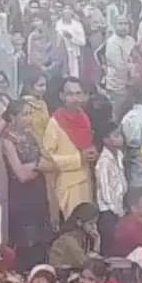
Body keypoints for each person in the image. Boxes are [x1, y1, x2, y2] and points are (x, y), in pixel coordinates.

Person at [0, 99, 53, 269]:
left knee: (42, 242)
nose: (29, 118)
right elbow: (21, 175)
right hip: (22, 196)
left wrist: (34, 166)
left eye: (30, 114)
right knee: (26, 242)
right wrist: (38, 165)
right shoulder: (8, 141)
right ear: (13, 117)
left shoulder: (32, 135)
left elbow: (50, 161)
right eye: (25, 114)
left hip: (38, 192)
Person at [42, 77, 96, 220]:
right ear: (61, 96)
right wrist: (78, 158)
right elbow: (46, 160)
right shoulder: (54, 123)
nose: (75, 99)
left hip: (86, 180)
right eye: (70, 94)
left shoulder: (84, 118)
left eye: (78, 94)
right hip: (67, 184)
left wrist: (92, 153)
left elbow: (86, 145)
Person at [48, 202, 101, 272]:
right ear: (79, 222)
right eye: (91, 224)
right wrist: (97, 242)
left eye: (95, 223)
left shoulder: (83, 237)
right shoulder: (68, 239)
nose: (94, 227)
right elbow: (87, 264)